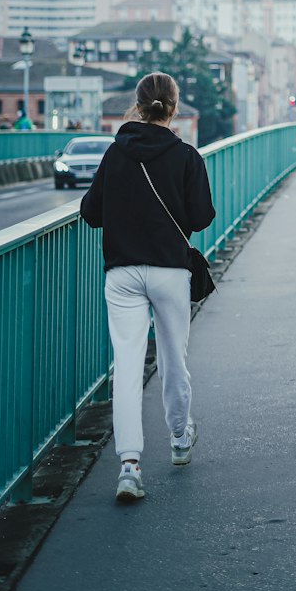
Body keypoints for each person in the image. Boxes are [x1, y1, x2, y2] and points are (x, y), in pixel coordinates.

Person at [80, 71, 215, 504]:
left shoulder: (115, 154)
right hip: (170, 271)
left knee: (127, 365)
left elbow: (91, 213)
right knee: (174, 358)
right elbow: (201, 217)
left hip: (122, 273)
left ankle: (130, 467)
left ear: (138, 106)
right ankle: (179, 438)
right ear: (173, 108)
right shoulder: (187, 156)